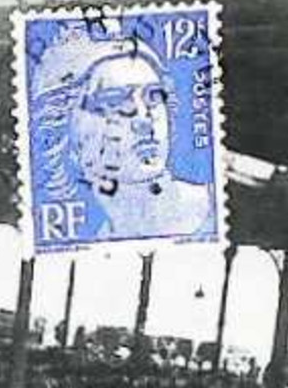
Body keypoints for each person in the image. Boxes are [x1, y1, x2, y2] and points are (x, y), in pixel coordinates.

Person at [28, 30, 215, 244]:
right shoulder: (97, 243)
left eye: (153, 97)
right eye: (115, 102)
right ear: (64, 133)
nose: (143, 120)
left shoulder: (216, 207)